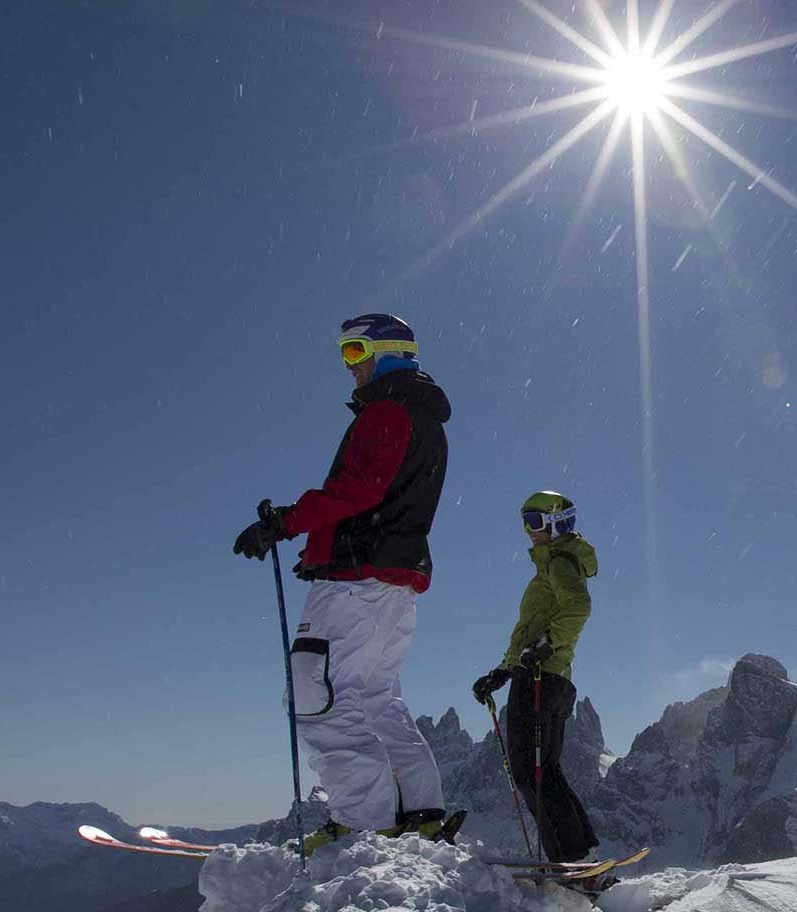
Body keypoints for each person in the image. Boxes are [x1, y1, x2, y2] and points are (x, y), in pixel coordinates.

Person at [233, 313, 457, 855]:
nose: (348, 366)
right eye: (344, 354)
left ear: (390, 352)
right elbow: (387, 502)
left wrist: (285, 522)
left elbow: (359, 490)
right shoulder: (424, 417)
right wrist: (320, 549)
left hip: (359, 581)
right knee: (375, 696)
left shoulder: (387, 410)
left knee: (316, 694)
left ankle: (363, 823)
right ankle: (419, 812)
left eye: (356, 352)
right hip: (393, 582)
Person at [471, 491, 600, 863]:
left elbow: (578, 607)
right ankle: (580, 854)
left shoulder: (558, 561)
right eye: (524, 521)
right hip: (552, 676)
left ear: (557, 523)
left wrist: (546, 645)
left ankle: (569, 860)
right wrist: (503, 671)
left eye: (534, 521)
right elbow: (533, 628)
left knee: (530, 771)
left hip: (541, 677)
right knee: (546, 770)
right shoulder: (556, 563)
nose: (528, 530)